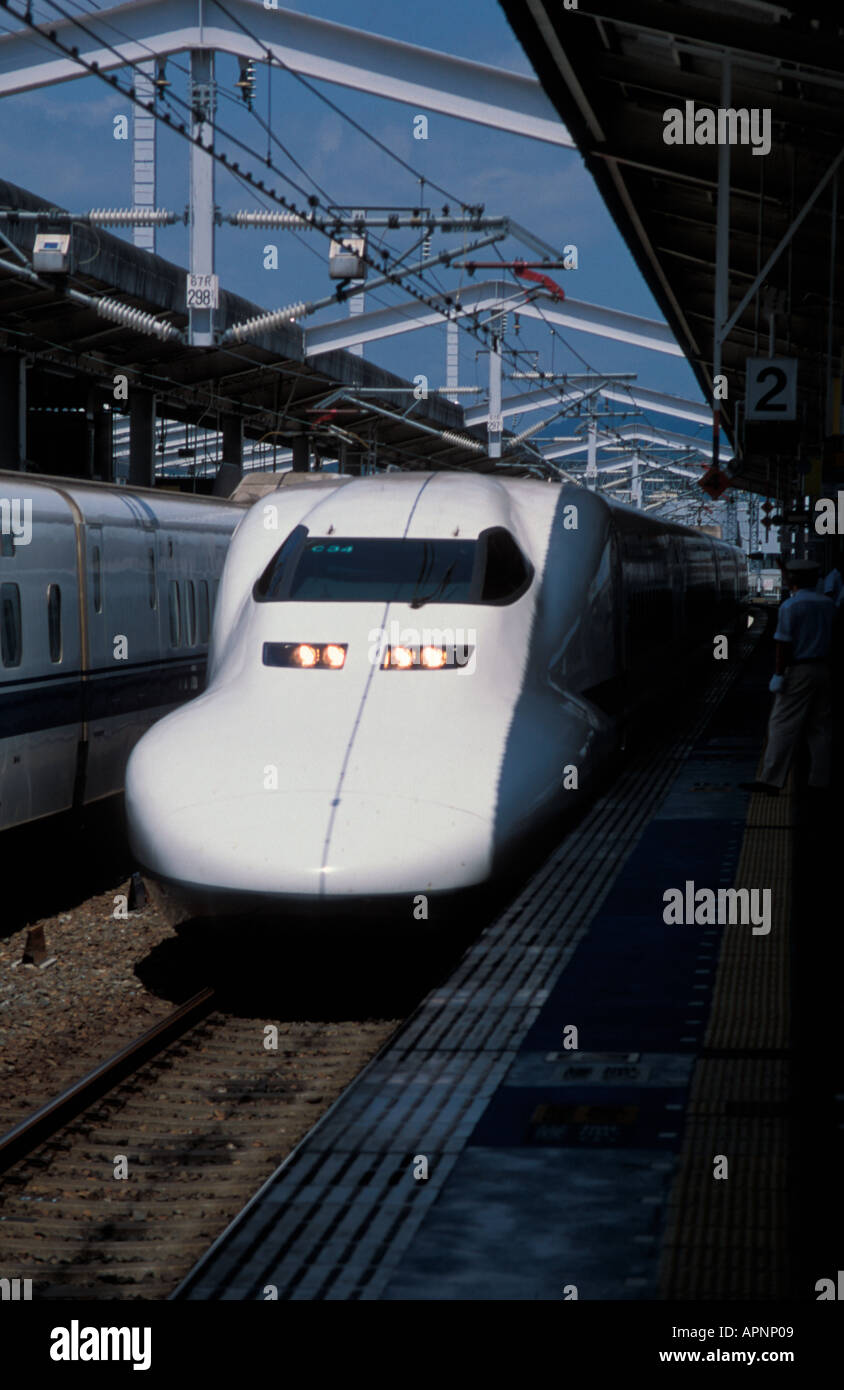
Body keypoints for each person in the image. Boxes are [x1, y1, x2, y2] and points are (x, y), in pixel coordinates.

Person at [740, 558, 835, 795]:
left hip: (798, 671)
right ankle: (820, 781)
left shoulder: (790, 607)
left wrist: (778, 675)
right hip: (825, 669)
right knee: (820, 728)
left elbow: (783, 645)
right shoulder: (829, 604)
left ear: (792, 580)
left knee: (782, 724)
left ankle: (771, 780)